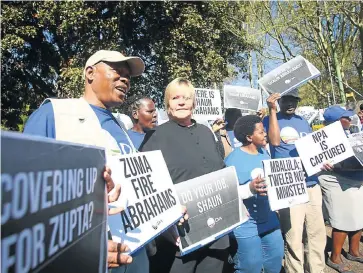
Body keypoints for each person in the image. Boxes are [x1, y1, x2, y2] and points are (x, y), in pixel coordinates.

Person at [23, 50, 148, 272]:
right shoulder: (54, 113)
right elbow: (25, 196)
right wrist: (81, 245)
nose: (125, 79)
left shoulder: (123, 127)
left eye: (128, 76)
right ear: (90, 73)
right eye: (117, 71)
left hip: (133, 254)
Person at [140, 77, 232, 273]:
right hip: (177, 239)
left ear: (194, 103)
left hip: (216, 234)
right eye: (175, 98)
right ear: (168, 104)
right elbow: (145, 187)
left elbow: (221, 171)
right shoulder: (154, 137)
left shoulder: (207, 133)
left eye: (186, 98)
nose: (181, 102)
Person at [263, 89, 326, 273]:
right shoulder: (269, 119)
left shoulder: (303, 122)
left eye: (294, 100)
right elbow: (274, 142)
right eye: (286, 100)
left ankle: (317, 269)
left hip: (312, 184)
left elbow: (313, 150)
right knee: (294, 237)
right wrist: (272, 111)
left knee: (317, 234)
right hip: (289, 185)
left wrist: (323, 162)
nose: (290, 104)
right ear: (279, 101)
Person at [224, 94, 284, 273]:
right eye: (261, 132)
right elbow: (229, 195)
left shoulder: (264, 153)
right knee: (251, 266)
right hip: (246, 226)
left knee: (275, 261)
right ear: (249, 137)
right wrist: (249, 189)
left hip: (270, 221)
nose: (265, 134)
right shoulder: (232, 161)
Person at [319, 105, 363, 273]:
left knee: (359, 218)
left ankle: (354, 251)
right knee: (343, 221)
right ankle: (335, 257)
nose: (350, 119)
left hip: (356, 180)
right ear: (335, 121)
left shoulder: (350, 133)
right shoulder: (324, 138)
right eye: (345, 118)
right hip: (337, 181)